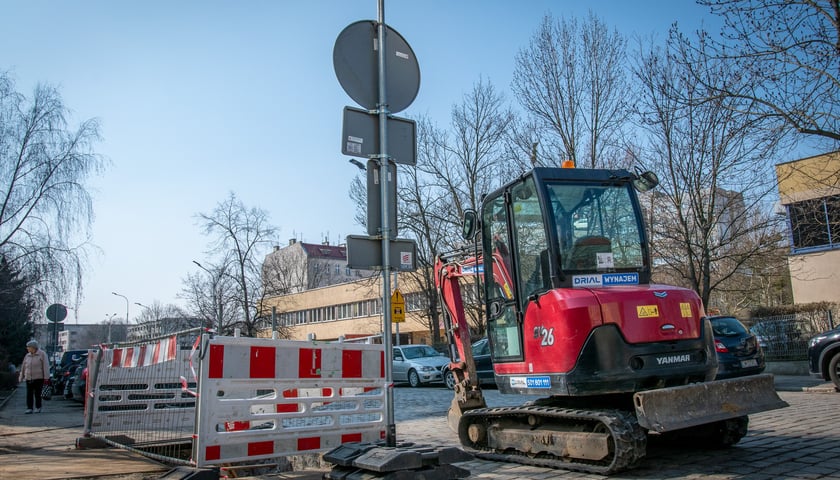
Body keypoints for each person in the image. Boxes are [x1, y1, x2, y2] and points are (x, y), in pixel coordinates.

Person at [19, 340, 50, 414]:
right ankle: (29, 408)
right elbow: (23, 367)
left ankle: (38, 407)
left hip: (39, 378)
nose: (27, 348)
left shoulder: (42, 354)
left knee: (38, 393)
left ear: (33, 347)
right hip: (28, 377)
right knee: (29, 394)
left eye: (28, 347)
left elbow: (45, 366)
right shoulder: (27, 355)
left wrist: (46, 377)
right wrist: (21, 377)